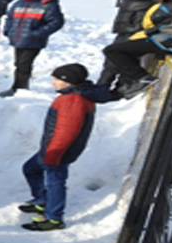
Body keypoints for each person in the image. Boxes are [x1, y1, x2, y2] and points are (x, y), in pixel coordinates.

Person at [18, 64, 116, 231]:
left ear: (67, 81)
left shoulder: (73, 101)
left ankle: (54, 218)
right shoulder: (73, 96)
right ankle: (42, 200)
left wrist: (53, 155)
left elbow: (66, 132)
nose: (52, 83)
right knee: (30, 169)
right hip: (52, 148)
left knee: (55, 182)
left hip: (58, 151)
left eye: (55, 79)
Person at [101, 0, 172, 99]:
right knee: (120, 49)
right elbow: (166, 24)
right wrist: (149, 33)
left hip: (167, 42)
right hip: (161, 39)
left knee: (113, 51)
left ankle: (142, 78)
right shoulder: (170, 2)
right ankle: (134, 80)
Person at [103, 0, 168, 89]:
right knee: (115, 58)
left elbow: (160, 9)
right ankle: (108, 86)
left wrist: (151, 28)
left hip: (137, 28)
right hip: (128, 26)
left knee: (117, 56)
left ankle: (112, 86)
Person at [0, 0, 65, 98]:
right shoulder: (19, 3)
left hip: (33, 41)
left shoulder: (48, 5)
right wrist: (8, 31)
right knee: (18, 64)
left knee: (24, 64)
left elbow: (56, 22)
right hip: (18, 39)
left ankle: (19, 88)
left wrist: (38, 33)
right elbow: (10, 18)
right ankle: (18, 87)